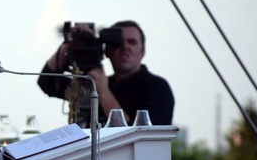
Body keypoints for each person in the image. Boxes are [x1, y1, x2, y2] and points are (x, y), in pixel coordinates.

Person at [37, 20, 175, 127]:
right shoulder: (93, 85)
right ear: (106, 52)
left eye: (132, 42)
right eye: (117, 42)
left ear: (142, 52)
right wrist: (69, 44)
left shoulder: (158, 88)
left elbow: (143, 140)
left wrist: (103, 91)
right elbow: (47, 83)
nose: (124, 47)